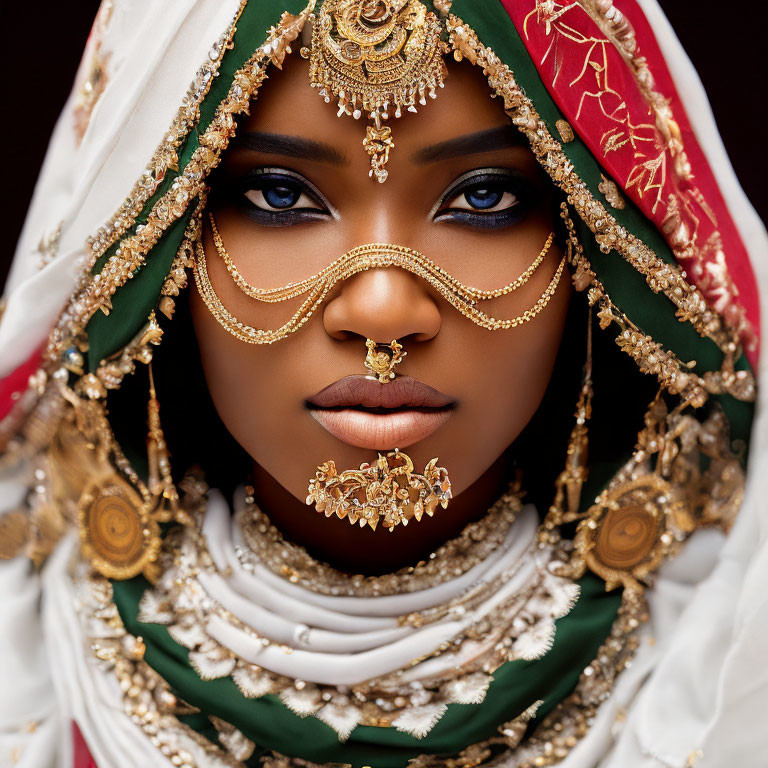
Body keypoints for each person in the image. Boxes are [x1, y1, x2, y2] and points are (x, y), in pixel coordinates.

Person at [1, 1, 766, 766]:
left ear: (599, 244)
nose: (383, 312)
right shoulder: (28, 648)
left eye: (484, 197)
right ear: (156, 233)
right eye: (278, 195)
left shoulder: (724, 645)